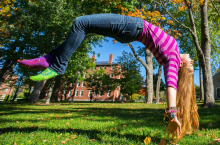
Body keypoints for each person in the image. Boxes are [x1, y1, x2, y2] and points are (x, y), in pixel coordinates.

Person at [17, 13, 199, 142]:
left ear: (182, 65)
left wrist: (172, 113)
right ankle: (49, 59)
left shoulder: (173, 59)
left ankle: (56, 64)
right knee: (82, 25)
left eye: (191, 63)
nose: (191, 58)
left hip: (133, 26)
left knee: (80, 23)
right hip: (132, 28)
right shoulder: (172, 55)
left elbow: (171, 85)